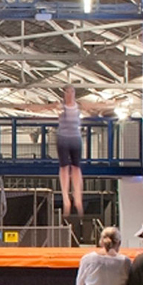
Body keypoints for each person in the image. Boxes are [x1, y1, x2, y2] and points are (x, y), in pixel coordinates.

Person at [57, 86, 84, 217]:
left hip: (75, 139)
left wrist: (112, 103)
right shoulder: (60, 107)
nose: (70, 94)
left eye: (72, 91)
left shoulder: (79, 106)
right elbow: (44, 107)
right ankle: (66, 198)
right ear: (64, 94)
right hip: (63, 139)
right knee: (64, 167)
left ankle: (77, 196)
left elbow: (94, 105)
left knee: (76, 168)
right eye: (67, 92)